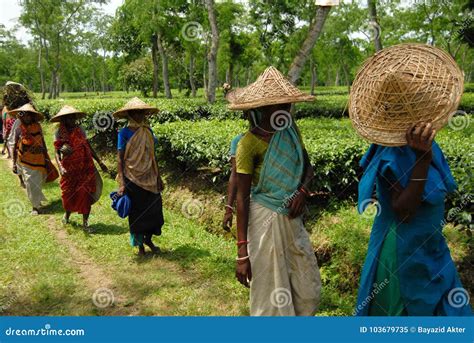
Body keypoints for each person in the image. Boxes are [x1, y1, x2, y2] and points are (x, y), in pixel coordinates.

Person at [228, 66, 321, 316]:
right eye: (281, 105)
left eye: (288, 104)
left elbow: (308, 167)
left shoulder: (291, 133)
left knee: (307, 289)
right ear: (265, 107)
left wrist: (302, 190)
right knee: (270, 291)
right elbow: (242, 199)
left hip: (292, 220)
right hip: (263, 221)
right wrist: (241, 253)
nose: (287, 110)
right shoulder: (248, 144)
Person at [355, 124, 472, 316]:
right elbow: (405, 211)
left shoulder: (422, 141)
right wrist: (422, 160)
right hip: (403, 252)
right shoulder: (394, 148)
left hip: (429, 245)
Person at [114, 98, 164, 256]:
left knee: (154, 210)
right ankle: (140, 244)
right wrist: (122, 182)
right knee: (137, 213)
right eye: (136, 112)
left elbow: (153, 156)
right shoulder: (124, 133)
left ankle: (148, 239)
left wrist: (159, 177)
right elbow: (120, 158)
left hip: (150, 176)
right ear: (129, 114)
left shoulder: (148, 131)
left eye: (141, 112)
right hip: (132, 177)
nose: (139, 115)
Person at [51, 105, 108, 232]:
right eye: (69, 118)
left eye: (73, 117)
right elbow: (56, 152)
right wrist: (60, 167)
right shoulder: (59, 133)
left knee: (85, 193)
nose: (72, 120)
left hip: (84, 167)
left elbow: (87, 145)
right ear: (64, 120)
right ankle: (67, 214)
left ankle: (85, 223)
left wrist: (99, 162)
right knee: (68, 194)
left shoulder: (80, 130)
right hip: (68, 169)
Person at [9, 103, 49, 215]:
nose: (26, 117)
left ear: (32, 116)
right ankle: (35, 207)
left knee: (38, 182)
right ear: (21, 116)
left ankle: (37, 202)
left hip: (39, 158)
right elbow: (15, 143)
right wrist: (13, 163)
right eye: (24, 115)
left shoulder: (38, 126)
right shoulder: (19, 127)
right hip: (25, 160)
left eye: (28, 115)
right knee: (31, 183)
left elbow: (43, 141)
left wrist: (46, 156)